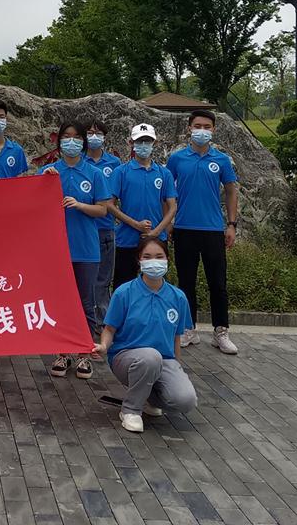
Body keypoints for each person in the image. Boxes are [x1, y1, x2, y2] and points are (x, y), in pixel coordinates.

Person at [94, 237, 197, 433]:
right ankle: (131, 410)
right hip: (127, 358)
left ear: (167, 259)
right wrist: (104, 346)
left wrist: (177, 367)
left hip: (164, 360)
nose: (153, 261)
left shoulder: (178, 297)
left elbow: (176, 337)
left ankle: (148, 398)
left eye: (159, 256)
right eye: (147, 257)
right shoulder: (124, 293)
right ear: (139, 260)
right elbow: (109, 328)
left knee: (185, 400)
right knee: (150, 357)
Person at [41, 121, 110, 380]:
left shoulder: (94, 173)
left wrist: (80, 205)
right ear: (59, 141)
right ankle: (62, 353)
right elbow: (34, 205)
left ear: (83, 142)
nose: (72, 141)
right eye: (66, 137)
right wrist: (44, 183)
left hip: (86, 249)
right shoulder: (49, 172)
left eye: (77, 137)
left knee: (85, 303)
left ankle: (83, 353)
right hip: (56, 250)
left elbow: (103, 210)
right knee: (59, 303)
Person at [167, 109, 240, 355]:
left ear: (214, 129)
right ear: (189, 128)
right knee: (186, 282)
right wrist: (168, 222)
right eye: (197, 126)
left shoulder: (221, 160)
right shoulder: (177, 159)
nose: (202, 130)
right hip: (184, 228)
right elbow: (166, 192)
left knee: (217, 283)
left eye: (207, 126)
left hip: (213, 230)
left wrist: (231, 224)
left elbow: (231, 191)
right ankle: (188, 329)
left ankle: (221, 331)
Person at [111, 123, 177, 287]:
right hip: (127, 239)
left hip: (156, 240)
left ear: (155, 143)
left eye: (147, 141)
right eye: (139, 141)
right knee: (124, 285)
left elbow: (172, 206)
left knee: (155, 284)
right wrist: (135, 224)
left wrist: (156, 231)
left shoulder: (164, 173)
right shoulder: (121, 172)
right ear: (131, 143)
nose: (143, 145)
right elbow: (110, 205)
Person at [82, 118, 122, 330]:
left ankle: (103, 322)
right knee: (83, 278)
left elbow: (114, 198)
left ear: (105, 137)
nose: (94, 137)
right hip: (82, 229)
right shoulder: (78, 161)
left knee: (103, 279)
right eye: (89, 133)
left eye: (98, 133)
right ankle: (84, 321)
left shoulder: (114, 164)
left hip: (105, 228)